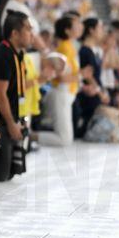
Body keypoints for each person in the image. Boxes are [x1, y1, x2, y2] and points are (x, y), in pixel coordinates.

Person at [0, 10, 33, 181]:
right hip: (2, 120)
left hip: (14, 116)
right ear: (15, 33)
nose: (31, 34)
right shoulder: (4, 53)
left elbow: (17, 88)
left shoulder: (18, 54)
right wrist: (11, 123)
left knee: (12, 171)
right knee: (0, 174)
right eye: (28, 29)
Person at [37, 16, 80, 147]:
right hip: (61, 92)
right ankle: (29, 136)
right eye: (76, 25)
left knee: (67, 138)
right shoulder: (64, 49)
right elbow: (59, 77)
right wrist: (80, 76)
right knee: (64, 139)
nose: (80, 27)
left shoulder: (70, 46)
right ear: (67, 30)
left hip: (67, 94)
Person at [73, 18, 110, 138]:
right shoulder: (85, 51)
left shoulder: (93, 50)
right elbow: (88, 76)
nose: (102, 31)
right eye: (100, 28)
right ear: (91, 30)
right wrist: (100, 93)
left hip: (97, 91)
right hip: (89, 95)